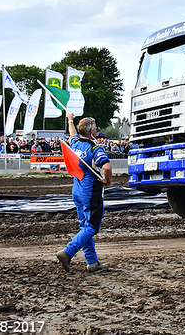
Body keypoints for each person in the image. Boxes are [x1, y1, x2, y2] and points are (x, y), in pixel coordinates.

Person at [57, 113, 112, 273]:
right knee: (91, 227)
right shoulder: (94, 147)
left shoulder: (74, 143)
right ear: (92, 132)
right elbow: (106, 167)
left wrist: (70, 120)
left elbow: (72, 132)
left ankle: (92, 262)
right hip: (90, 193)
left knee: (84, 226)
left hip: (77, 190)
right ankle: (67, 252)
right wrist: (108, 180)